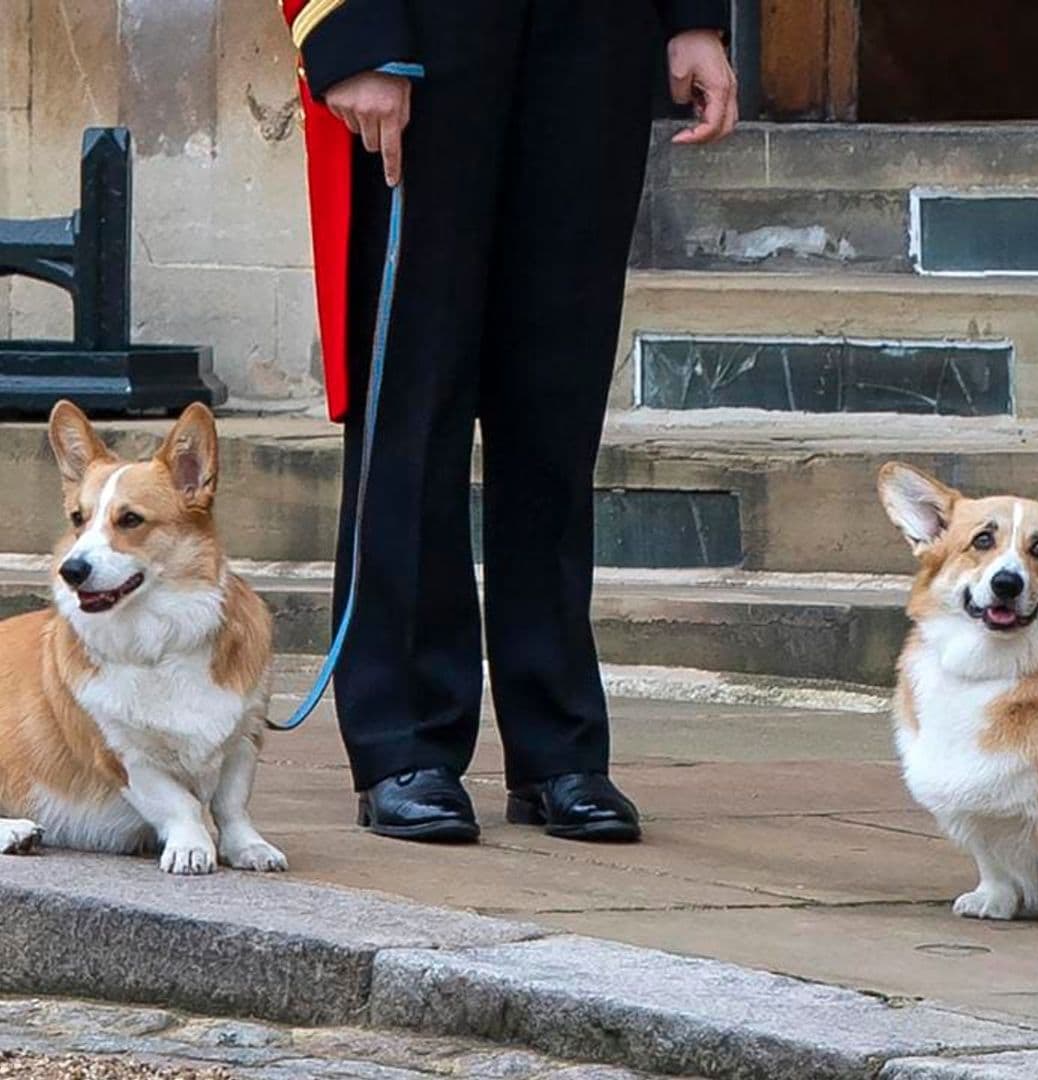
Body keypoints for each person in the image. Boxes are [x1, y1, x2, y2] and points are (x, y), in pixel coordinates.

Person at [280, 0, 737, 845]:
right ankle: (403, 740)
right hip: (424, 30)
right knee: (416, 395)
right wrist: (352, 32)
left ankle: (559, 747)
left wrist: (691, 16)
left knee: (555, 400)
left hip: (589, 33)